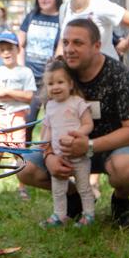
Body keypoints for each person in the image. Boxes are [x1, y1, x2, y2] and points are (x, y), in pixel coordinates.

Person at [17, 18, 129, 227]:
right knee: (24, 167)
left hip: (110, 150)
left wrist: (89, 145)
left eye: (78, 43)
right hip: (64, 150)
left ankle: (120, 202)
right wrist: (49, 156)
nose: (69, 49)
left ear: (97, 46)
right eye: (66, 42)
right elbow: (49, 122)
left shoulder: (118, 74)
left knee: (127, 170)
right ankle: (75, 197)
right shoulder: (59, 71)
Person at [38, 59, 95, 227]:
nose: (55, 87)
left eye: (60, 82)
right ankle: (59, 215)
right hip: (59, 157)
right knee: (58, 189)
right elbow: (47, 128)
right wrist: (44, 144)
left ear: (70, 84)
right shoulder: (50, 106)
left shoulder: (77, 102)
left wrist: (78, 135)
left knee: (83, 187)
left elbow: (88, 124)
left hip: (79, 156)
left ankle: (89, 215)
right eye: (50, 84)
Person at [0, 31, 36, 197]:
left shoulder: (26, 72)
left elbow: (29, 96)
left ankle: (22, 187)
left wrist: (7, 91)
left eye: (10, 48)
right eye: (2, 49)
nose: (6, 52)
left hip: (18, 115)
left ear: (18, 49)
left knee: (18, 151)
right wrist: (17, 94)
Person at [18, 0, 63, 141]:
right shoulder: (32, 16)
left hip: (50, 79)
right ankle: (23, 154)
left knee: (53, 121)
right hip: (29, 79)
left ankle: (49, 151)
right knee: (27, 121)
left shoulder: (62, 18)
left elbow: (61, 48)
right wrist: (22, 68)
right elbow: (20, 43)